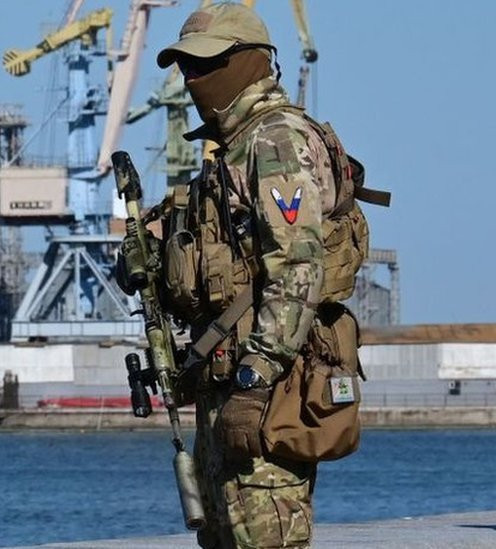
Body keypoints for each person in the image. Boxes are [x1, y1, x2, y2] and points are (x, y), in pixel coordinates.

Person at [135, 2, 373, 547]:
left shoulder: (274, 141)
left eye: (204, 64)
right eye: (185, 68)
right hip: (227, 378)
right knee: (222, 537)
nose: (191, 79)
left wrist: (257, 376)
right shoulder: (232, 150)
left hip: (266, 387)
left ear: (246, 61)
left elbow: (297, 269)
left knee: (264, 538)